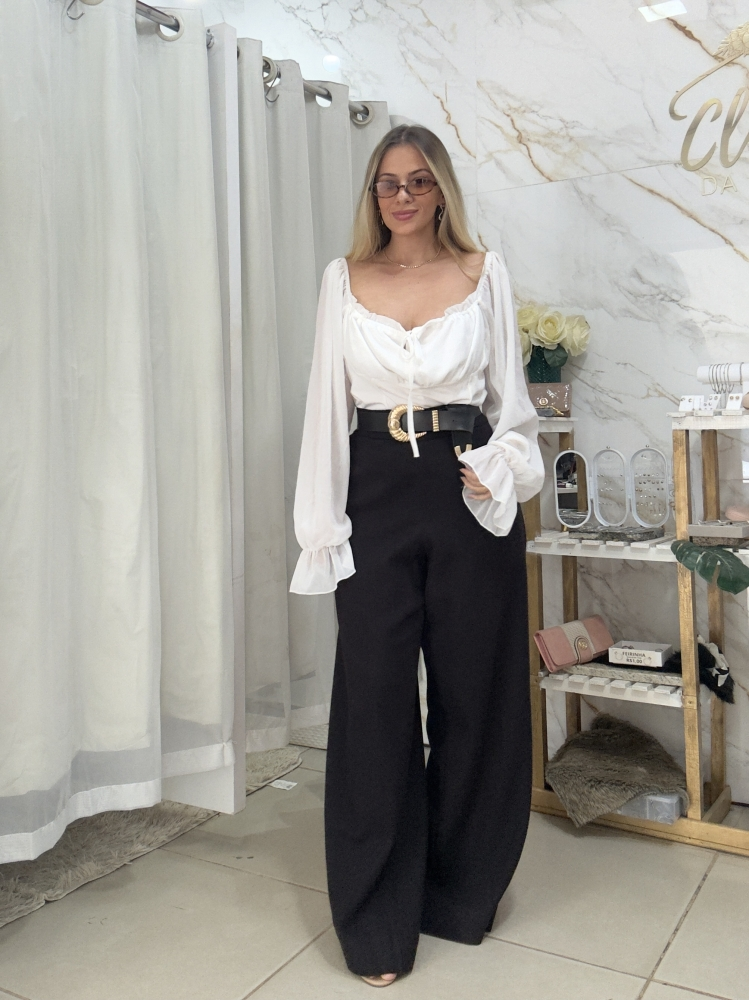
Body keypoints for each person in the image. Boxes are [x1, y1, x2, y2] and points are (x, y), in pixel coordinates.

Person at [290, 124, 544, 987]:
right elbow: (325, 409)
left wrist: (500, 470)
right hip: (371, 495)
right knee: (374, 705)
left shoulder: (482, 272)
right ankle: (375, 920)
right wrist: (322, 526)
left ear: (440, 190)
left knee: (476, 696)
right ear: (374, 194)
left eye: (418, 181)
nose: (401, 196)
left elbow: (513, 409)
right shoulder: (344, 279)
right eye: (387, 183)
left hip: (466, 491)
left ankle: (461, 893)